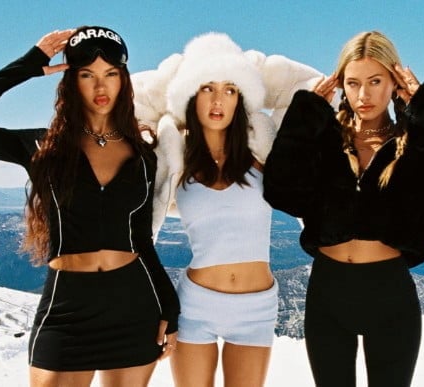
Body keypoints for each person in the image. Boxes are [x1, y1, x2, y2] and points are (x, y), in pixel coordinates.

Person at [0, 26, 178, 387]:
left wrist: (170, 309)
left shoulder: (143, 154)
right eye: (87, 75)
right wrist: (27, 65)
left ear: (123, 80)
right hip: (67, 309)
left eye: (111, 74)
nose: (101, 87)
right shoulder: (40, 148)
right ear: (70, 81)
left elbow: (142, 240)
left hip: (134, 305)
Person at [263, 30, 424, 387]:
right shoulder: (324, 141)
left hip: (391, 298)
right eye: (353, 82)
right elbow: (281, 191)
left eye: (375, 81)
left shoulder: (416, 146)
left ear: (394, 82)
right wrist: (305, 116)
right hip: (327, 295)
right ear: (340, 86)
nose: (364, 95)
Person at [135, 33, 317, 387]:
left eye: (231, 89)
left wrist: (255, 67)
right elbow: (130, 98)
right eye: (207, 88)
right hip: (195, 306)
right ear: (189, 94)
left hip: (257, 309)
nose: (218, 100)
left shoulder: (263, 155)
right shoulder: (175, 159)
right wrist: (147, 120)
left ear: (242, 98)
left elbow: (308, 87)